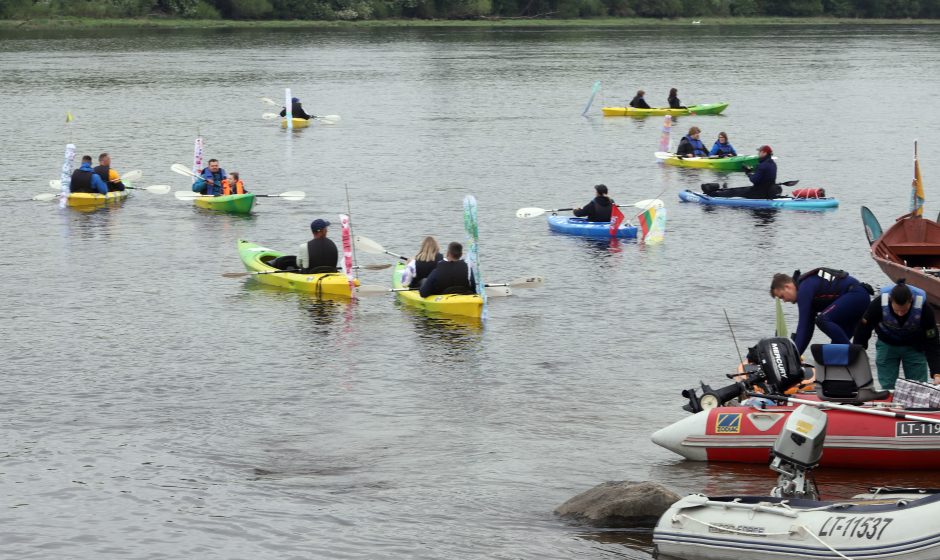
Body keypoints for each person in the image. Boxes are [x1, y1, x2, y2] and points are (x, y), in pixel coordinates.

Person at [853, 280, 940, 390]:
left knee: (918, 387)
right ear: (890, 300)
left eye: (904, 310)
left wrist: (936, 372)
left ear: (911, 301)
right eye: (897, 310)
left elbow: (932, 340)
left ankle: (914, 407)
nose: (900, 314)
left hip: (914, 346)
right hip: (887, 344)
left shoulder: (925, 309)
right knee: (888, 386)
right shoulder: (878, 304)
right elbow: (863, 328)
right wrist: (858, 351)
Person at [770, 268, 873, 355]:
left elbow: (803, 325)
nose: (785, 301)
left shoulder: (804, 288)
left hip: (857, 296)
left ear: (787, 287)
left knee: (822, 320)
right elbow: (807, 330)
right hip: (855, 301)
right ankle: (852, 366)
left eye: (782, 296)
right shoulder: (806, 293)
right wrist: (796, 355)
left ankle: (856, 356)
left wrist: (793, 357)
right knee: (836, 351)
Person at [709, 145, 778, 199]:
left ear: (764, 153)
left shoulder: (762, 165)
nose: (758, 154)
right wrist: (751, 172)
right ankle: (724, 190)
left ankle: (713, 195)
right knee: (740, 189)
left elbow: (754, 180)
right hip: (768, 191)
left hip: (758, 193)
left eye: (759, 152)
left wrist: (748, 172)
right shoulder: (773, 164)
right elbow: (762, 179)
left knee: (735, 192)